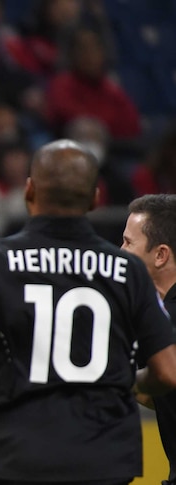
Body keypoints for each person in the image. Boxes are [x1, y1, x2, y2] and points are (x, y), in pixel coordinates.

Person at [0, 140, 176, 485]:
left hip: (14, 458)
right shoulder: (128, 271)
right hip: (104, 459)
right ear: (94, 198)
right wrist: (122, 382)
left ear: (29, 190)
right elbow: (167, 372)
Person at [121, 194, 176, 485]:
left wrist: (115, 377)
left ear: (160, 255)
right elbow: (163, 394)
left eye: (129, 243)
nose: (120, 251)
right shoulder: (154, 315)